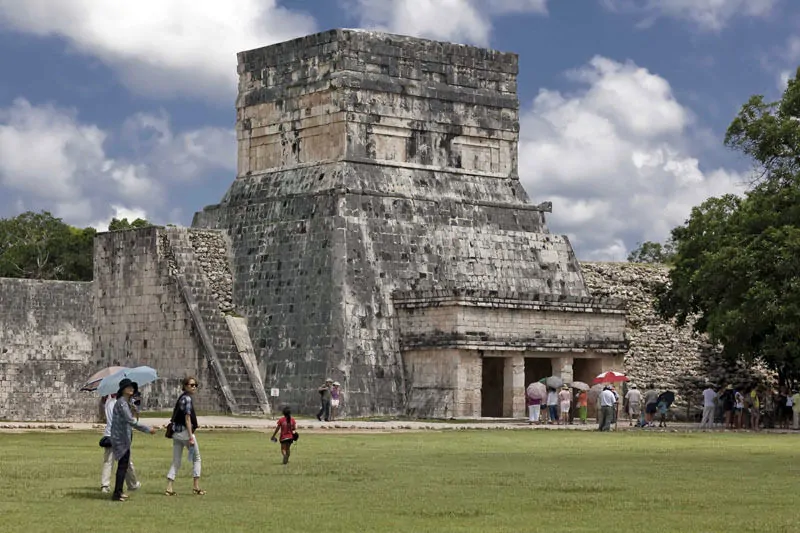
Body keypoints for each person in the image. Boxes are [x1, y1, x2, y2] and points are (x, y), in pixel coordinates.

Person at [109, 379, 158, 502]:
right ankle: (117, 493)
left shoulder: (127, 403)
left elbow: (131, 418)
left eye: (132, 387)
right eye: (128, 387)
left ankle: (119, 491)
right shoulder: (121, 403)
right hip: (120, 438)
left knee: (124, 466)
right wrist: (148, 429)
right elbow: (130, 421)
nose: (131, 389)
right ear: (123, 390)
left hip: (125, 437)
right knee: (122, 466)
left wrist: (135, 410)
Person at [165, 376, 205, 496]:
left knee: (176, 461)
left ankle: (169, 487)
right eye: (191, 385)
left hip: (176, 433)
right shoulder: (187, 399)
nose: (194, 387)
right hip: (184, 433)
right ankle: (196, 486)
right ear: (185, 386)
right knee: (196, 458)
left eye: (195, 385)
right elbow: (187, 418)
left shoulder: (181, 398)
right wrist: (191, 435)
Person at [100, 394, 140, 494]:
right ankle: (132, 483)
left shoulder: (108, 402)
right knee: (126, 462)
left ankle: (105, 485)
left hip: (109, 434)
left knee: (108, 461)